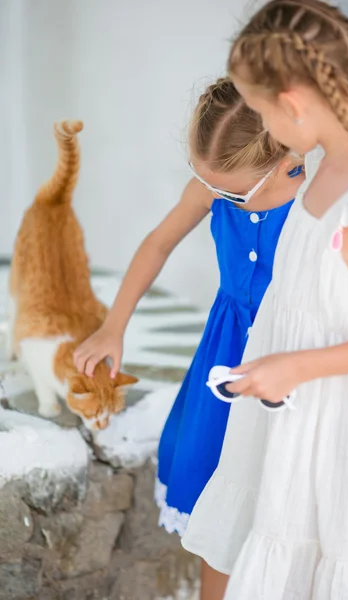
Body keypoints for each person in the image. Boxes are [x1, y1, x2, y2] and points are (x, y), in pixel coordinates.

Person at [181, 1, 348, 598]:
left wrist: (297, 366)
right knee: (237, 543)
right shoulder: (320, 175)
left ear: (294, 103)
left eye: (258, 109)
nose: (263, 126)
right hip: (283, 424)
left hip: (340, 435)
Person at [73, 77, 304, 600]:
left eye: (229, 191)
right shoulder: (215, 184)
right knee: (214, 505)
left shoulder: (314, 191)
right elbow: (157, 244)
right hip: (225, 358)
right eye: (210, 185)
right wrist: (115, 325)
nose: (217, 196)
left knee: (283, 504)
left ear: (282, 156)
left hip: (290, 365)